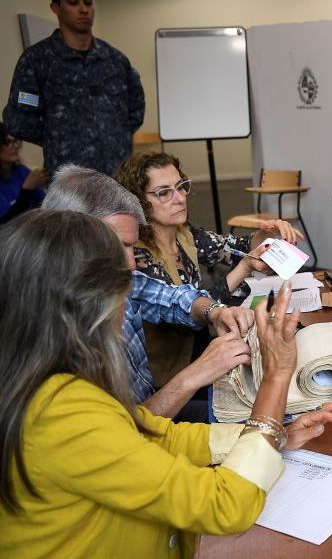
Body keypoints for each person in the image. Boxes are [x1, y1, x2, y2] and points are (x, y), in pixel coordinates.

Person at [0, 209, 332, 557]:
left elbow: (157, 434)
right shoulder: (62, 414)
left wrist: (278, 434)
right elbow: (224, 506)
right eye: (122, 286)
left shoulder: (57, 383)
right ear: (90, 303)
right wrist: (276, 375)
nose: (132, 279)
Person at [41, 165, 254, 421]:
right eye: (118, 245)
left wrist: (214, 312)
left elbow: (171, 297)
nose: (130, 262)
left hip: (153, 410)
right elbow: (126, 432)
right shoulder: (59, 333)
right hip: (143, 425)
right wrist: (197, 373)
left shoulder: (117, 276)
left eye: (180, 187)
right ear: (71, 240)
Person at [115, 151, 303, 304]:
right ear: (137, 201)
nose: (180, 198)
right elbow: (191, 311)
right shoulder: (137, 256)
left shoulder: (185, 235)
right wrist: (244, 268)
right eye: (164, 193)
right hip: (178, 350)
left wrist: (266, 232)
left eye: (181, 186)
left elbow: (237, 248)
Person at [2, 0, 144, 178]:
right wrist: (60, 136)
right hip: (70, 181)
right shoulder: (36, 61)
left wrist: (111, 134)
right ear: (56, 8)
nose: (83, 9)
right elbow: (19, 120)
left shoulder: (115, 60)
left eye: (87, 2)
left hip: (117, 176)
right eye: (73, 2)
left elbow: (136, 109)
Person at [0, 123, 46, 224]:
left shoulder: (21, 171)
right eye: (8, 142)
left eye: (16, 141)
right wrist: (27, 190)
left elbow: (44, 204)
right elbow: (6, 222)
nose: (15, 146)